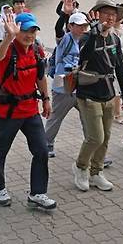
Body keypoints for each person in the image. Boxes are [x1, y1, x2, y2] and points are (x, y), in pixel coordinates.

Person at [0, 12, 56, 210]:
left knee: (42, 150)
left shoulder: (37, 50)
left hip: (30, 111)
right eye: (26, 30)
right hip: (7, 112)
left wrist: (45, 99)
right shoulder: (8, 50)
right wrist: (9, 36)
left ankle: (38, 193)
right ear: (17, 31)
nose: (30, 35)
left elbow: (41, 77)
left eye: (33, 30)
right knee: (1, 151)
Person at [73, 0, 123, 193]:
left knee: (105, 137)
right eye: (107, 13)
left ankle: (96, 172)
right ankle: (81, 167)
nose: (111, 18)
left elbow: (120, 67)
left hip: (108, 93)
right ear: (97, 15)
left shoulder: (114, 39)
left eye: (113, 14)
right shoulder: (88, 37)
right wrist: (96, 32)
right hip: (88, 93)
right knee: (95, 137)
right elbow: (84, 55)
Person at [44, 12, 89, 158]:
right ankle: (46, 144)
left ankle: (94, 150)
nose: (83, 28)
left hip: (80, 85)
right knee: (56, 116)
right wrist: (64, 14)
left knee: (89, 118)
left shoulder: (86, 40)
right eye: (80, 25)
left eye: (85, 25)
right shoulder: (65, 39)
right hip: (63, 84)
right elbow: (58, 29)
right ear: (70, 26)